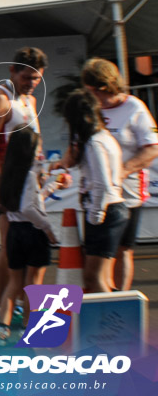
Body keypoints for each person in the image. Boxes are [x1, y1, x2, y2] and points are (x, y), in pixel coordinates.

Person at [0, 46, 47, 325]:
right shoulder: (1, 98)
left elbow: (36, 139)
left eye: (37, 78)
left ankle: (21, 304)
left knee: (29, 252)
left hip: (31, 185)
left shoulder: (29, 100)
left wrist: (43, 172)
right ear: (13, 70)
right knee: (10, 250)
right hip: (10, 187)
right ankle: (0, 306)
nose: (31, 83)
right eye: (27, 77)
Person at [81, 58, 158, 290]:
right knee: (98, 252)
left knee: (123, 248)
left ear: (103, 88)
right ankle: (103, 298)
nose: (88, 94)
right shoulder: (89, 109)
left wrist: (122, 172)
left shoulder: (134, 107)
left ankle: (121, 299)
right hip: (95, 192)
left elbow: (153, 147)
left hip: (127, 192)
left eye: (90, 90)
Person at [0, 127, 71, 345]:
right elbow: (29, 207)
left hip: (15, 232)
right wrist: (47, 228)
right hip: (32, 231)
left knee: (14, 283)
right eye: (37, 146)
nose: (40, 151)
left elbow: (31, 201)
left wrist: (51, 186)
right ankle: (29, 328)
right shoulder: (28, 174)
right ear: (29, 149)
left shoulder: (8, 172)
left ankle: (2, 328)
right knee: (33, 284)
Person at [61, 89, 129, 293]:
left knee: (93, 277)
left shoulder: (95, 142)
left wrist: (95, 216)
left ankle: (110, 323)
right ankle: (110, 321)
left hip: (105, 210)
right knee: (101, 277)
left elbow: (102, 184)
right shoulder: (104, 137)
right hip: (112, 208)